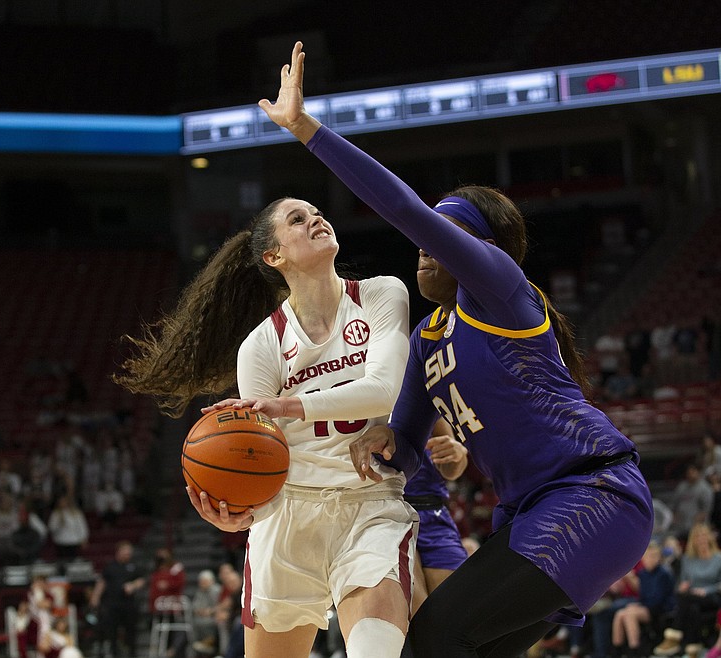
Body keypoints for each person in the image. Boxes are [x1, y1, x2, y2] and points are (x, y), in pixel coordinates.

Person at [261, 41, 654, 658]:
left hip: (592, 496)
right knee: (449, 648)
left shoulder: (500, 290)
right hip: (529, 514)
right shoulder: (428, 337)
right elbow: (407, 451)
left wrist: (306, 129)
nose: (426, 244)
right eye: (429, 233)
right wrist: (385, 446)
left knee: (441, 638)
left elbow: (402, 208)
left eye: (447, 233)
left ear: (483, 249)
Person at [113, 132, 414, 656]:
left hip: (369, 507)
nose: (317, 219)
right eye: (298, 219)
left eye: (318, 212)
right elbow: (257, 453)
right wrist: (240, 510)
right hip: (288, 519)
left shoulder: (383, 294)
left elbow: (383, 391)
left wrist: (288, 404)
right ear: (274, 255)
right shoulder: (260, 346)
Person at [403, 417, 469, 618]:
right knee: (417, 620)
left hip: (434, 513)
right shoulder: (364, 394)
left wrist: (457, 454)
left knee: (459, 615)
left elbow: (451, 470)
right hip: (389, 513)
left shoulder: (422, 398)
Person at [653, 522, 721, 657]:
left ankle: (674, 636)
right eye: (697, 537)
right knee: (691, 606)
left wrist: (705, 590)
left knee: (684, 599)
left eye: (703, 536)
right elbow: (683, 582)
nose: (700, 540)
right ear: (693, 541)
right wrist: (683, 587)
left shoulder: (719, 558)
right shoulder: (687, 559)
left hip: (712, 597)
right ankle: (692, 648)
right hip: (691, 599)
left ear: (709, 537)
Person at [611, 541, 675, 657]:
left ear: (659, 557)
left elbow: (658, 600)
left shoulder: (663, 574)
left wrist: (638, 606)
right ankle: (617, 651)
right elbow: (643, 596)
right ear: (643, 559)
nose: (651, 559)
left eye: (654, 556)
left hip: (661, 609)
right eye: (648, 556)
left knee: (630, 614)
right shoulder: (643, 574)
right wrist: (637, 605)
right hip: (647, 606)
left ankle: (635, 651)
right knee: (620, 614)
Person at [88, 540, 146, 658]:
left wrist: (133, 586)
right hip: (112, 604)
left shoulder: (134, 566)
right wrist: (95, 597)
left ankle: (132, 654)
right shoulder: (110, 566)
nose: (128, 554)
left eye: (129, 552)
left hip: (129, 604)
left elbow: (142, 580)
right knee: (112, 631)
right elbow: (102, 582)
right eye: (125, 551)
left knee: (131, 631)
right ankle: (114, 653)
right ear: (118, 552)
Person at [47, 495, 89, 561]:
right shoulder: (55, 514)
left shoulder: (77, 513)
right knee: (62, 561)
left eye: (65, 501)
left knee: (73, 561)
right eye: (61, 502)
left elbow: (82, 527)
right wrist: (59, 523)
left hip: (73, 541)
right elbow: (51, 528)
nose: (63, 503)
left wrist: (84, 538)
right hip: (61, 541)